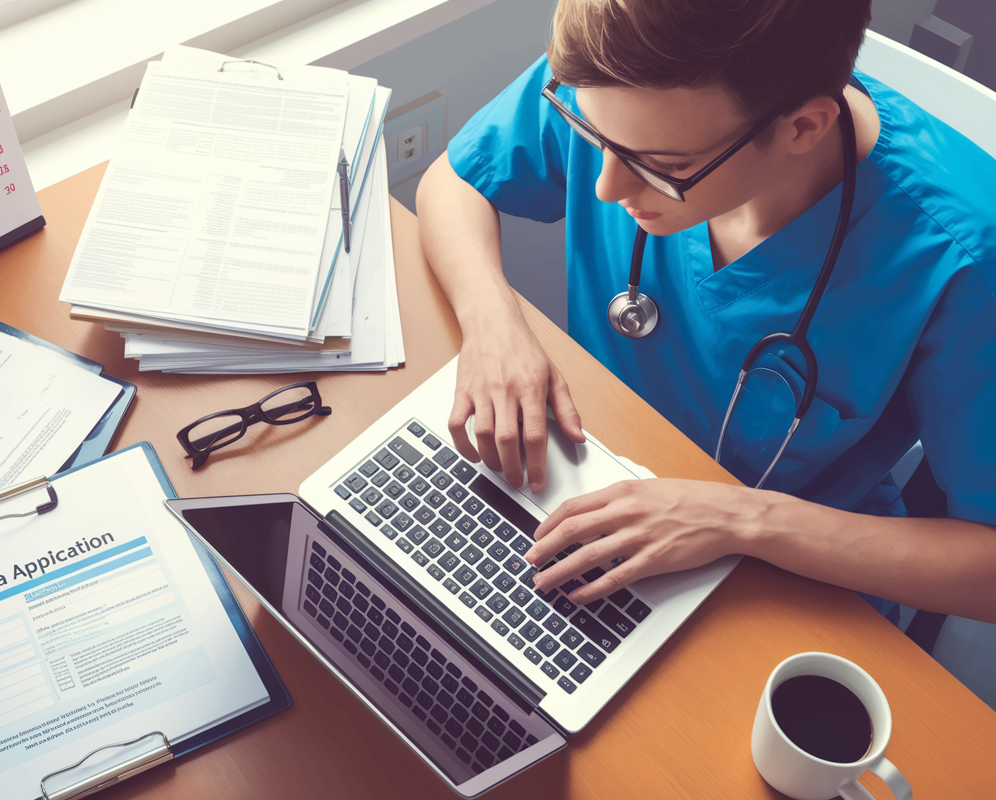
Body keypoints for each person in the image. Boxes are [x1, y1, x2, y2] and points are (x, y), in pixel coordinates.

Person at [416, 0, 996, 623]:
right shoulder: (625, 82)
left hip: (791, 567)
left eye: (662, 168)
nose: (605, 188)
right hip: (582, 475)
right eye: (592, 136)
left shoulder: (962, 258)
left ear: (802, 128)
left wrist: (740, 520)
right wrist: (494, 326)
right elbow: (454, 182)